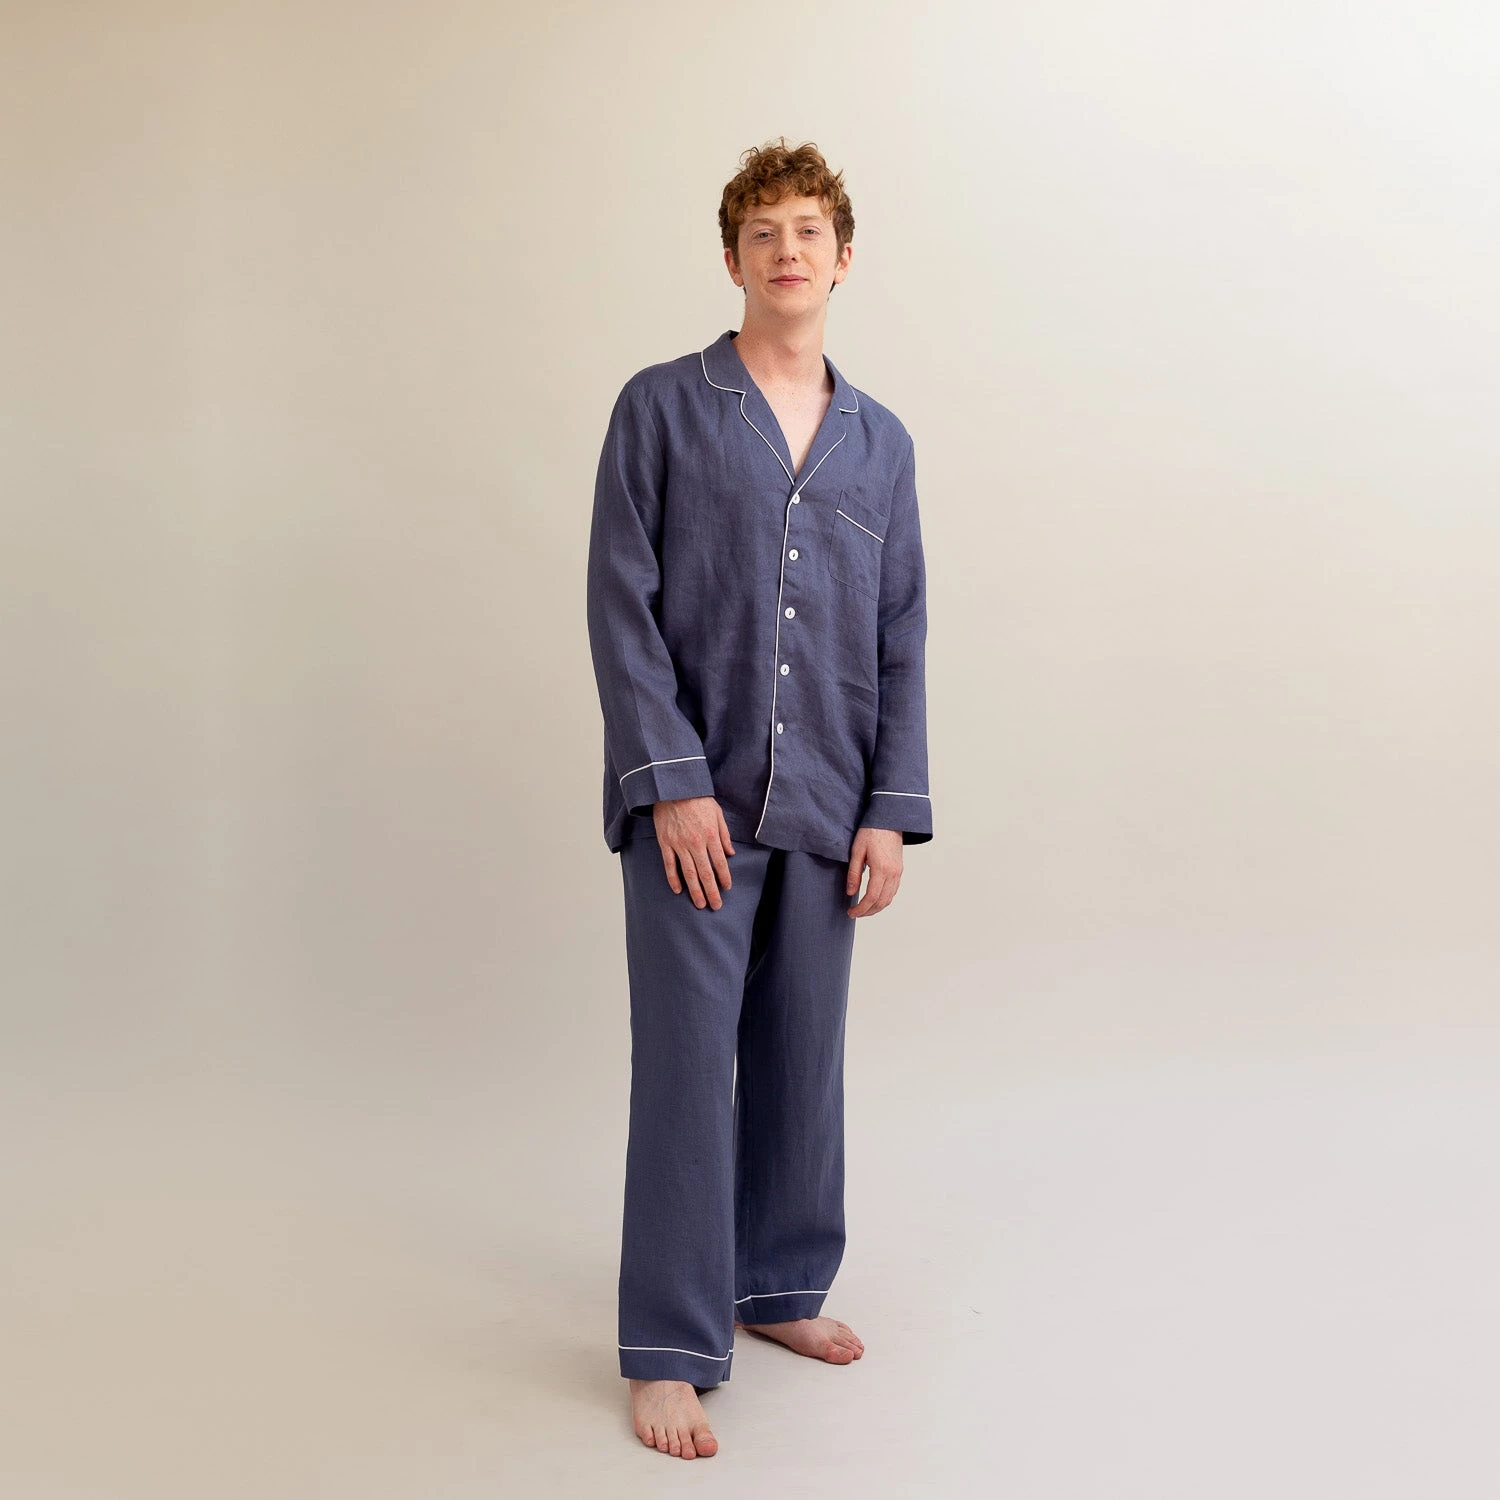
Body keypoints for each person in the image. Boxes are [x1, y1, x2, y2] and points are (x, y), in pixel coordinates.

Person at [585, 137, 933, 1461]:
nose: (788, 251)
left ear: (844, 259)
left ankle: (779, 1285)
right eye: (763, 232)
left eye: (809, 232)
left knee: (801, 1054)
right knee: (687, 1067)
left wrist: (888, 806)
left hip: (830, 802)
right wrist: (669, 784)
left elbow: (899, 632)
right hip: (698, 806)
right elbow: (621, 604)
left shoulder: (880, 444)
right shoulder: (663, 409)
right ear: (732, 258)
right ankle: (671, 1346)